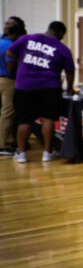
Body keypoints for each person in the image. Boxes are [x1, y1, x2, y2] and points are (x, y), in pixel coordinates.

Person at [6, 20, 75, 163]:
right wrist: (69, 88)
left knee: (25, 120)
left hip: (24, 85)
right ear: (61, 33)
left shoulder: (27, 39)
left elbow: (10, 52)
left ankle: (21, 153)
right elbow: (69, 71)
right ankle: (47, 153)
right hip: (50, 87)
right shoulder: (62, 48)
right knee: (48, 118)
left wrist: (25, 61)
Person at [0, 21, 26, 154]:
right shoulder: (11, 46)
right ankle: (3, 145)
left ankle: (8, 140)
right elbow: (11, 68)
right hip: (7, 81)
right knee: (8, 113)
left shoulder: (0, 42)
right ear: (16, 34)